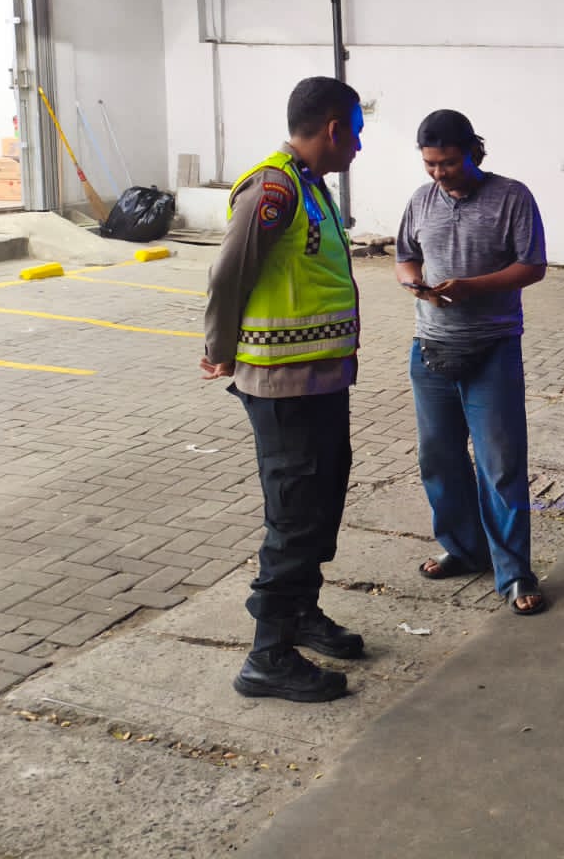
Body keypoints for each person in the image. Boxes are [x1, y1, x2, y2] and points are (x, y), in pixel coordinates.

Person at [201, 76, 365, 703]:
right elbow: (228, 274)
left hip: (320, 380)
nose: (358, 146)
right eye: (355, 132)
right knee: (294, 516)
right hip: (283, 387)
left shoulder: (308, 184)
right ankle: (267, 655)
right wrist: (219, 349)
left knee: (320, 505)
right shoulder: (272, 187)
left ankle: (301, 613)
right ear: (333, 128)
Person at [395, 110, 550, 615]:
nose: (439, 173)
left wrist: (471, 288)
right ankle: (464, 549)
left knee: (501, 465)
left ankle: (515, 571)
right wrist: (413, 283)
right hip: (430, 347)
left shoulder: (512, 197)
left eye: (448, 162)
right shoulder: (421, 200)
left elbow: (533, 265)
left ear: (472, 152)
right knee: (438, 458)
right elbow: (405, 256)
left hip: (492, 349)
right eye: (430, 164)